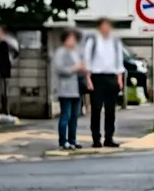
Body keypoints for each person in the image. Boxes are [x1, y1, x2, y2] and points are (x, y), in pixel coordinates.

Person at [84, 18, 125, 148]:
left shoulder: (115, 42)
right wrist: (88, 79)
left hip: (111, 77)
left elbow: (119, 61)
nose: (106, 29)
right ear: (99, 28)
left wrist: (119, 78)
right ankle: (96, 138)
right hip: (97, 77)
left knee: (110, 110)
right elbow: (87, 60)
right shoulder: (93, 41)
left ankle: (109, 137)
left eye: (108, 26)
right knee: (96, 109)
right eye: (103, 26)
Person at [52, 30, 85, 149]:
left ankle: (72, 139)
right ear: (65, 40)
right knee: (65, 115)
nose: (73, 41)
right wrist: (74, 68)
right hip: (65, 89)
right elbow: (59, 69)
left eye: (74, 39)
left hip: (76, 89)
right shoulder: (61, 52)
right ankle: (63, 140)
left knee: (74, 117)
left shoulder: (75, 52)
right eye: (71, 38)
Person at [0, 26, 19, 116]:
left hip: (5, 68)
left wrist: (10, 62)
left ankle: (5, 110)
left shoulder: (9, 41)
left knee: (5, 91)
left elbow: (16, 53)